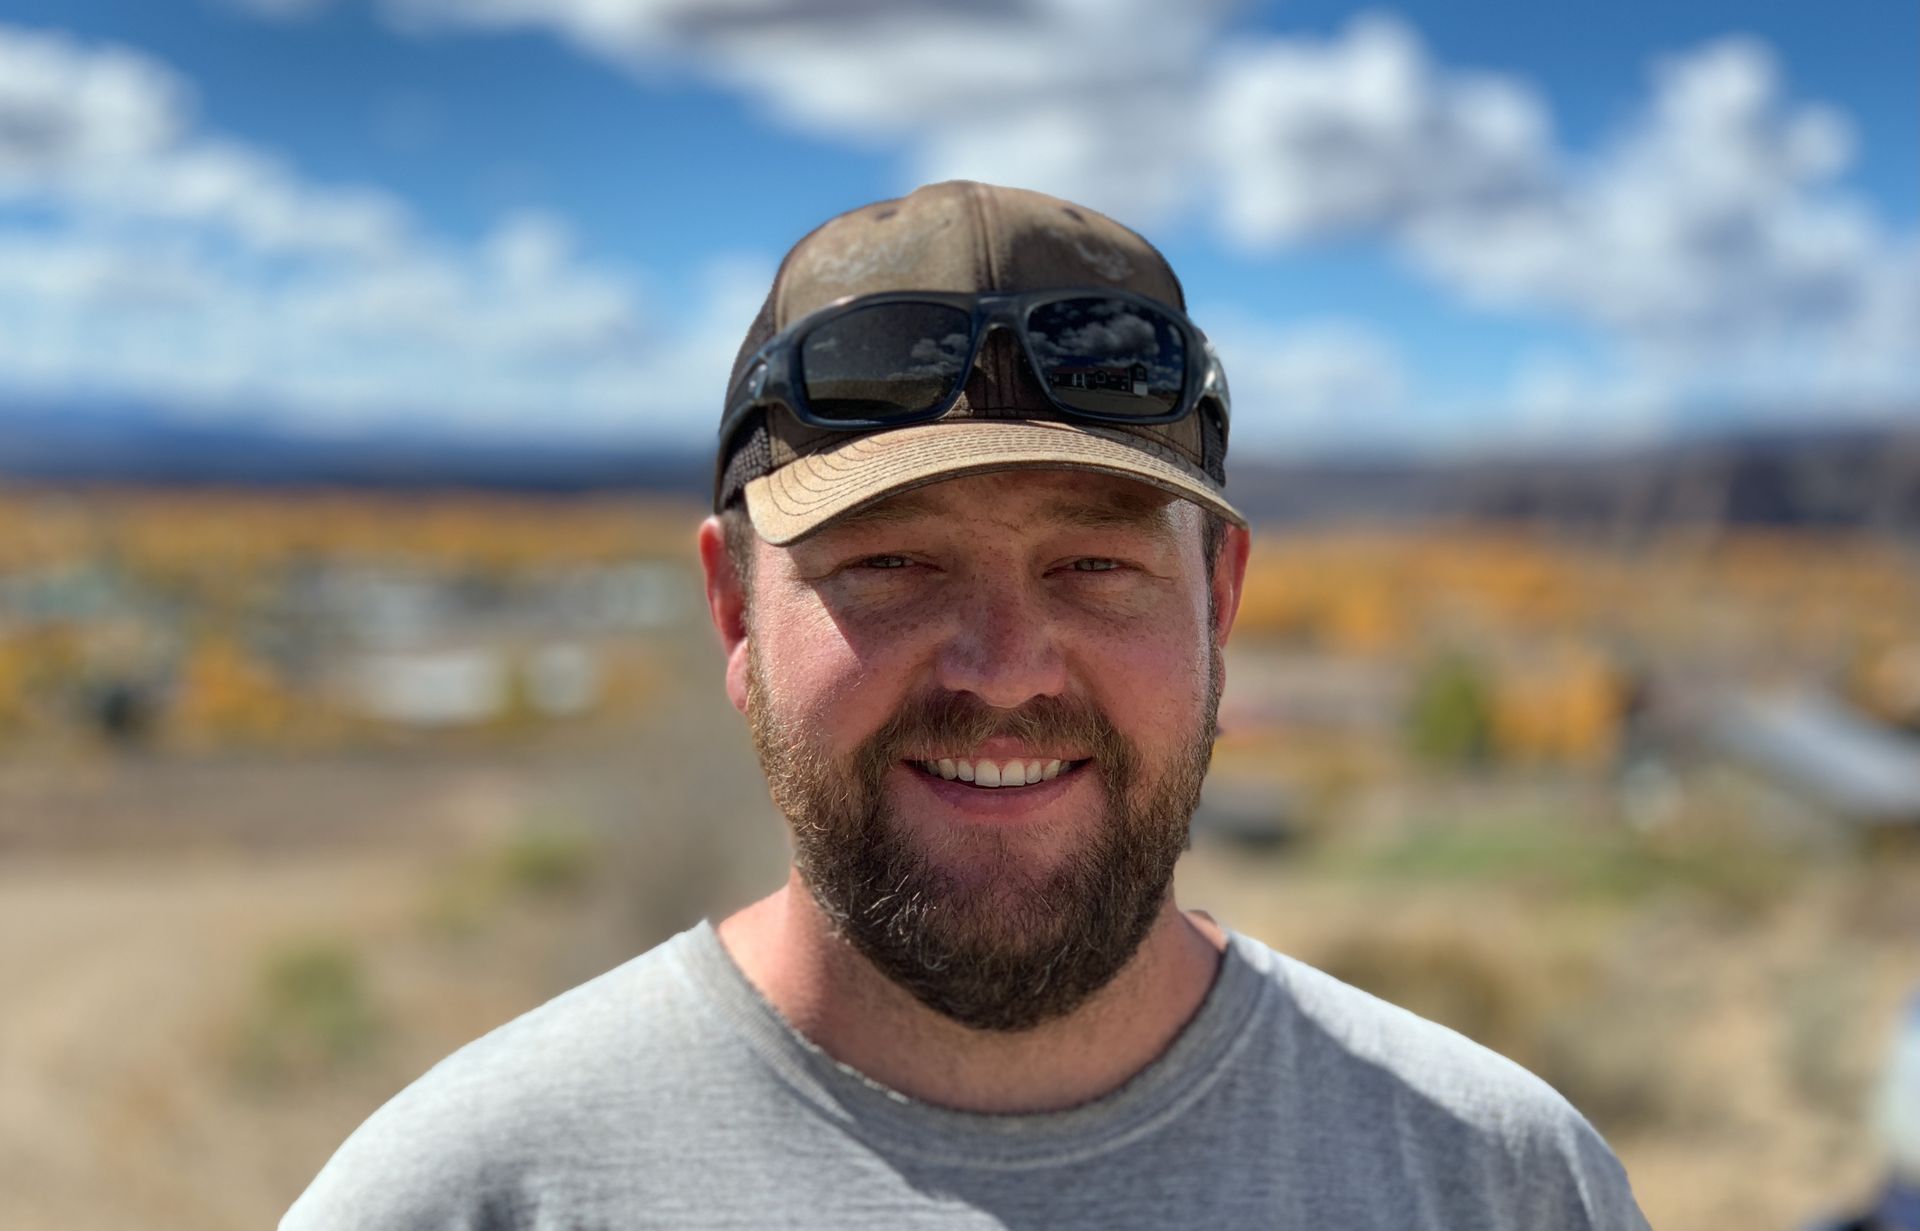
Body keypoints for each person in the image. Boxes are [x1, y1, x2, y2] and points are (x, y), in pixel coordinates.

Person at [283, 181, 1649, 1229]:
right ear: (734, 611)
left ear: (1219, 599)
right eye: (888, 564)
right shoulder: (472, 1197)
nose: (1003, 667)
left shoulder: (1495, 1185)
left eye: (1096, 566)